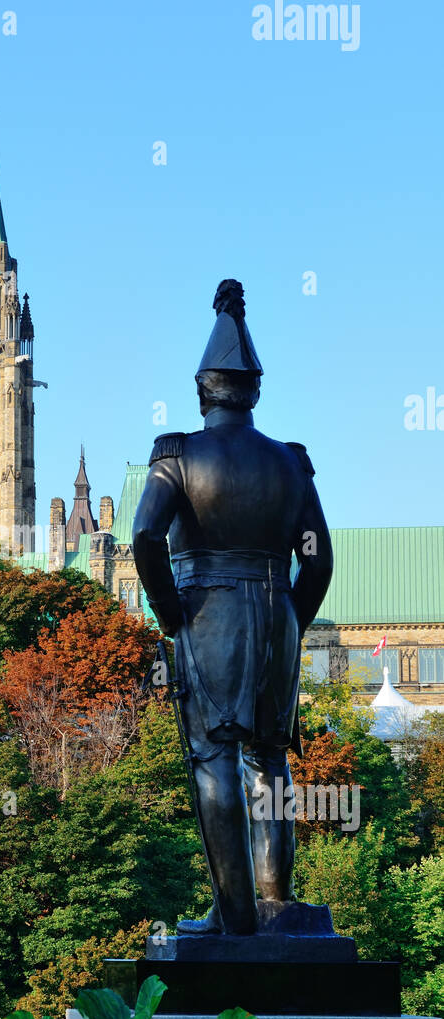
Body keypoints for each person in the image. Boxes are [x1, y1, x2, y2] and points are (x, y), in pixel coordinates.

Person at [132, 280, 333, 935]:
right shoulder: (288, 463)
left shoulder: (178, 455)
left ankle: (234, 916)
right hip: (275, 612)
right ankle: (275, 905)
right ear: (252, 390)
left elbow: (143, 538)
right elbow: (319, 559)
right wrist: (292, 621)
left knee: (212, 756)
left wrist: (169, 614)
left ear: (202, 390)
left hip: (206, 612)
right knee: (268, 758)